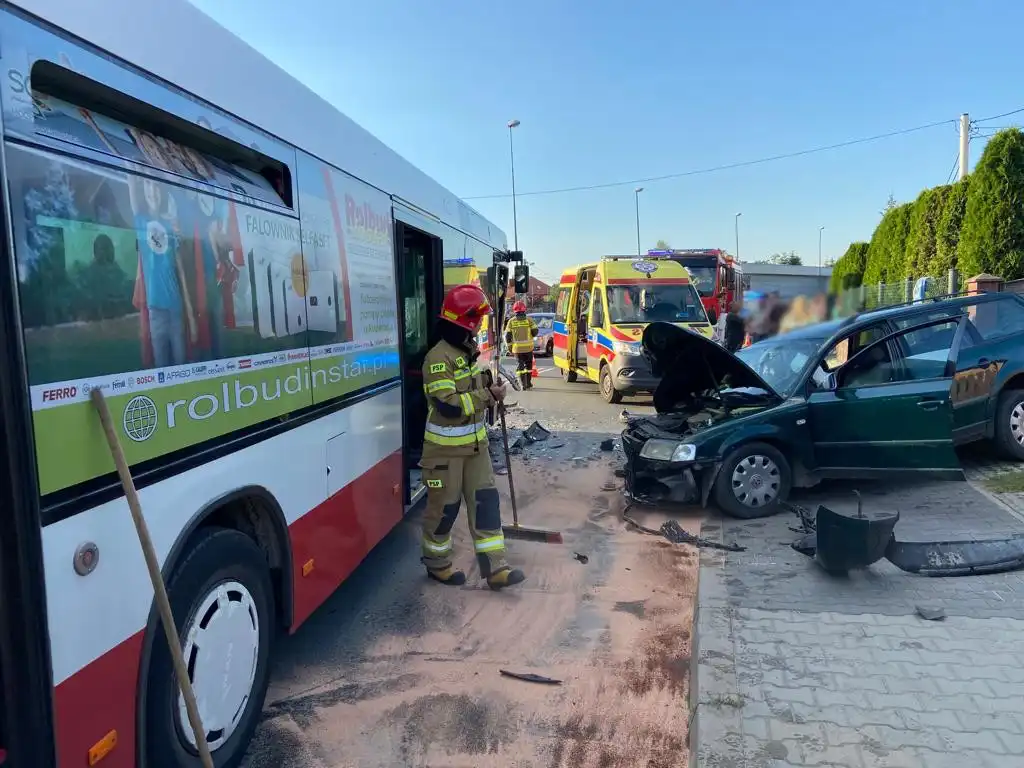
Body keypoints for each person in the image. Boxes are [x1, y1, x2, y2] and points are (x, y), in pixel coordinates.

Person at [420, 284, 526, 590]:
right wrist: (487, 395)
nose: (480, 324)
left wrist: (490, 388)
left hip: (475, 449)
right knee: (444, 511)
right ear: (463, 320)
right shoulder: (438, 358)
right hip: (445, 454)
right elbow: (448, 405)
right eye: (476, 318)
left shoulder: (466, 352)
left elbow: (472, 390)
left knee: (486, 505)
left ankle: (497, 569)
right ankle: (437, 564)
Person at [504, 300, 538, 389]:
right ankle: (528, 383)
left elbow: (507, 336)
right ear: (524, 310)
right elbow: (535, 332)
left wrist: (509, 347)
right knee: (529, 366)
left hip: (517, 349)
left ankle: (523, 385)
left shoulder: (511, 321)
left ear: (514, 310)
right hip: (528, 348)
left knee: (520, 366)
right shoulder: (529, 320)